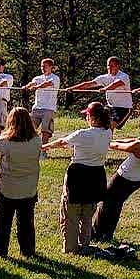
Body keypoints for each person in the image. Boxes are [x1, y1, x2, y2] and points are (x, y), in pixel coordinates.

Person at [43, 102, 111, 254]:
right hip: (97, 175)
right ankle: (85, 244)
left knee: (71, 213)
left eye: (87, 115)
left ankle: (70, 248)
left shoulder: (82, 134)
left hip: (78, 174)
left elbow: (61, 142)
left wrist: (43, 147)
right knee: (87, 213)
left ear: (92, 117)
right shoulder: (108, 133)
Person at [0, 107, 41, 258]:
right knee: (26, 223)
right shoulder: (37, 140)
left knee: (3, 223)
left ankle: (0, 252)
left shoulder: (5, 142)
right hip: (28, 190)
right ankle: (28, 251)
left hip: (7, 190)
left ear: (11, 121)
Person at [91, 113, 140, 242]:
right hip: (137, 180)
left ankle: (96, 233)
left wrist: (106, 142)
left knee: (106, 203)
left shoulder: (139, 146)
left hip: (123, 178)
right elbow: (131, 141)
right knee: (116, 205)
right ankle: (107, 233)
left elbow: (118, 146)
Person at [67, 57, 133, 130]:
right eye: (108, 65)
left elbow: (115, 84)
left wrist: (105, 89)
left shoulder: (124, 76)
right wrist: (72, 88)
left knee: (110, 126)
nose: (109, 68)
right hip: (110, 106)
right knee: (102, 123)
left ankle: (106, 139)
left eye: (112, 66)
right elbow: (88, 84)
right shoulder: (104, 77)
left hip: (124, 107)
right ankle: (104, 140)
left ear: (118, 66)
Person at [22, 59, 60, 146]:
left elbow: (48, 83)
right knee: (30, 129)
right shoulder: (38, 78)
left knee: (45, 130)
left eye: (45, 66)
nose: (42, 68)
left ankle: (43, 151)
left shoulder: (55, 78)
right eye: (41, 66)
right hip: (37, 107)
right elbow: (32, 83)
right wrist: (27, 86)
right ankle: (29, 149)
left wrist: (37, 87)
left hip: (49, 108)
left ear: (51, 67)